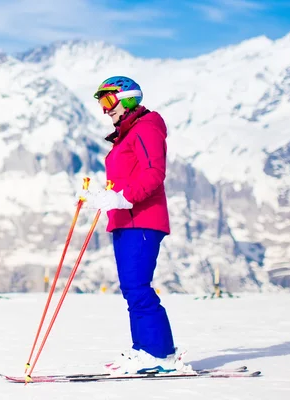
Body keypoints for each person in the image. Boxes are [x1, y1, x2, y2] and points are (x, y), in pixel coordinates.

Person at [80, 76, 182, 375]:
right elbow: (127, 177)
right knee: (131, 289)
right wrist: (103, 197)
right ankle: (144, 351)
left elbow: (153, 174)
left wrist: (123, 198)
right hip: (126, 220)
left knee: (138, 288)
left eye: (108, 101)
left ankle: (160, 354)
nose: (105, 109)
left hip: (143, 220)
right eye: (101, 104)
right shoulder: (128, 133)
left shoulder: (146, 128)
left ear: (127, 98)